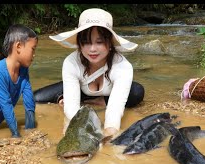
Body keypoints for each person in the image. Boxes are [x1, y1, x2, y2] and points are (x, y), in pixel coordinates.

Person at [48, 8, 145, 137]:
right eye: (86, 42)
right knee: (37, 98)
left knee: (137, 91)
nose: (92, 49)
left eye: (99, 42)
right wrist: (75, 131)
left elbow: (114, 111)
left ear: (110, 43)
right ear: (79, 44)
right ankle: (67, 96)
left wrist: (110, 134)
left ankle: (104, 99)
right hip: (81, 89)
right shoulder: (71, 62)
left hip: (108, 94)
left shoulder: (123, 66)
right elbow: (71, 110)